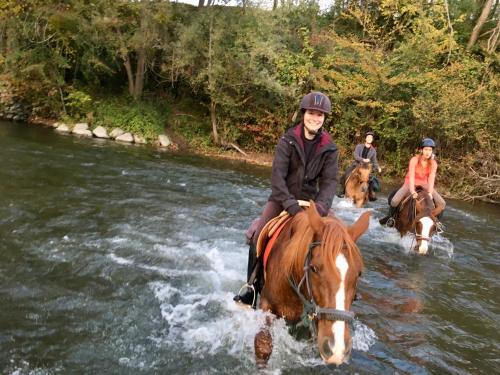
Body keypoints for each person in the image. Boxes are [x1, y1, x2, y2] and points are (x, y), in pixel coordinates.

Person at [233, 92, 339, 307]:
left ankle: (338, 293)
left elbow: (330, 183)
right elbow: (277, 178)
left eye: (320, 115)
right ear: (303, 114)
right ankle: (251, 287)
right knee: (258, 237)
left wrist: (319, 208)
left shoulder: (330, 147)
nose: (315, 118)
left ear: (324, 118)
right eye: (311, 113)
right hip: (282, 199)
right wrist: (291, 206)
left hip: (313, 204)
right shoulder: (287, 140)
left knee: (339, 238)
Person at [379, 138, 446, 227]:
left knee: (442, 203)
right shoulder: (414, 160)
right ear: (421, 150)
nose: (428, 152)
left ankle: (436, 222)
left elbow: (431, 178)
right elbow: (411, 176)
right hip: (410, 182)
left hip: (425, 184)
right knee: (394, 201)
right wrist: (412, 191)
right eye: (426, 149)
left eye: (430, 150)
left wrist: (430, 192)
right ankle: (391, 218)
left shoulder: (433, 163)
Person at [338, 131, 381, 199]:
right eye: (368, 137)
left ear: (372, 140)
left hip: (366, 168)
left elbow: (374, 160)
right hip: (356, 165)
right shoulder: (359, 146)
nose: (369, 138)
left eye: (371, 138)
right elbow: (355, 156)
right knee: (346, 173)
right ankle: (342, 191)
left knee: (371, 179)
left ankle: (370, 194)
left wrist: (378, 167)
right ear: (365, 139)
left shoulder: (373, 151)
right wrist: (363, 160)